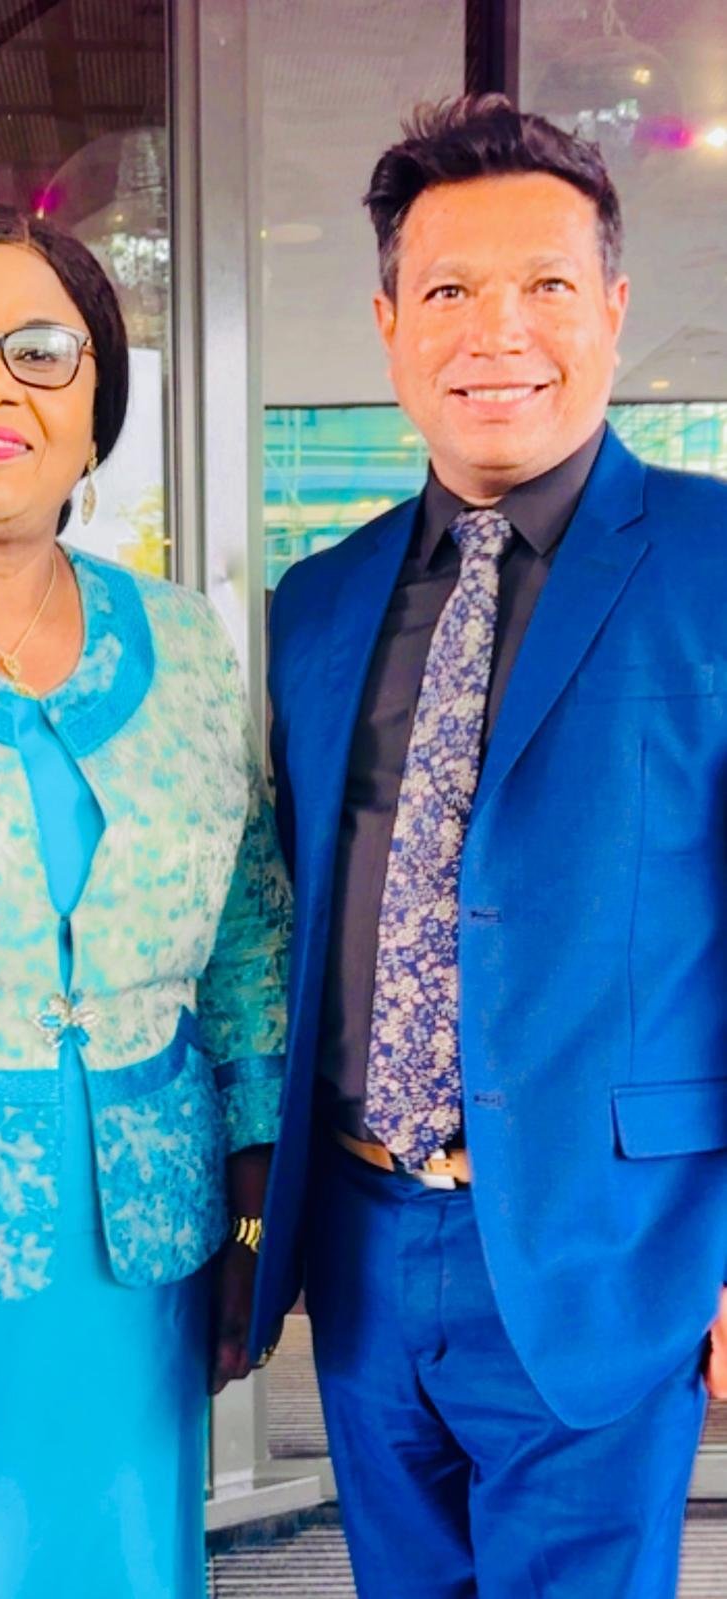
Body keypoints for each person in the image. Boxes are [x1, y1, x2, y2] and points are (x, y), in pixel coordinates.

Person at [251, 94, 727, 1599]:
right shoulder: (317, 605)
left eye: (547, 285)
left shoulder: (715, 561)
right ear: (391, 325)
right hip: (363, 1248)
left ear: (614, 310)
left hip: (613, 1243)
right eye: (450, 289)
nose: (496, 331)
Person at [0, 200, 290, 1599]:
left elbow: (247, 942)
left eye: (42, 352)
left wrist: (258, 1211)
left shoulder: (184, 644)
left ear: (96, 421)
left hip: (137, 1262)